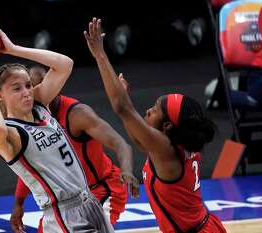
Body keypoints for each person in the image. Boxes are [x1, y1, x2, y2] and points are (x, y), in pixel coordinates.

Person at [0, 20, 116, 233]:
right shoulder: (10, 133)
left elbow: (64, 64)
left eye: (28, 85)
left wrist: (13, 48)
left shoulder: (40, 106)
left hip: (90, 201)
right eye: (17, 88)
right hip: (63, 214)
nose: (27, 91)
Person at [84, 18, 227, 233]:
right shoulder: (170, 144)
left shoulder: (166, 149)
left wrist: (100, 55)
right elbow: (135, 129)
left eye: (156, 109)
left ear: (168, 125)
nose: (148, 110)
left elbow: (122, 108)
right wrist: (125, 100)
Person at [10, 66, 139, 232]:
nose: (31, 93)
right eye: (30, 87)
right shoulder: (31, 119)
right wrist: (18, 204)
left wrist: (127, 170)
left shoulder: (77, 114)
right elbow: (32, 166)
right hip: (68, 200)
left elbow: (120, 143)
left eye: (39, 86)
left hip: (102, 189)